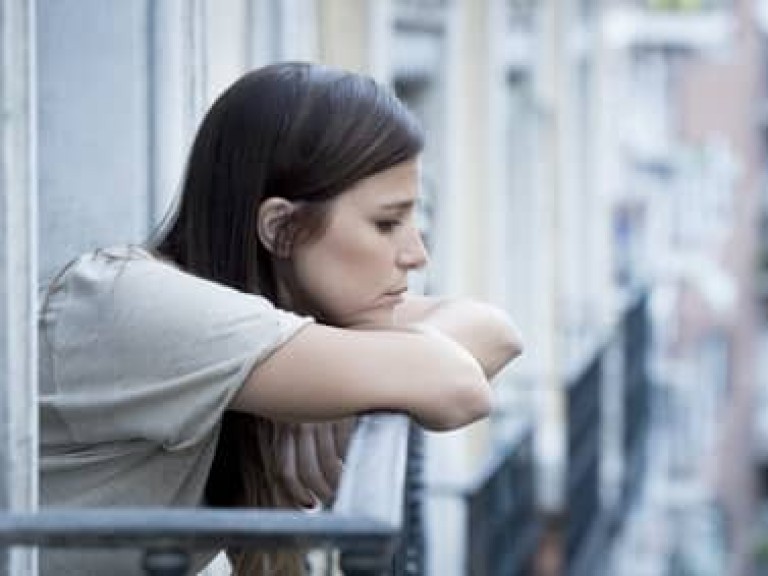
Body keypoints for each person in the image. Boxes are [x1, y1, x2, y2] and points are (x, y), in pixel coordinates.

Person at [38, 61, 522, 575]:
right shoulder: (135, 302)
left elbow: (497, 333)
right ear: (281, 228)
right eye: (387, 223)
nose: (416, 254)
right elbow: (458, 385)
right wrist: (374, 366)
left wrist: (341, 362)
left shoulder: (269, 321)